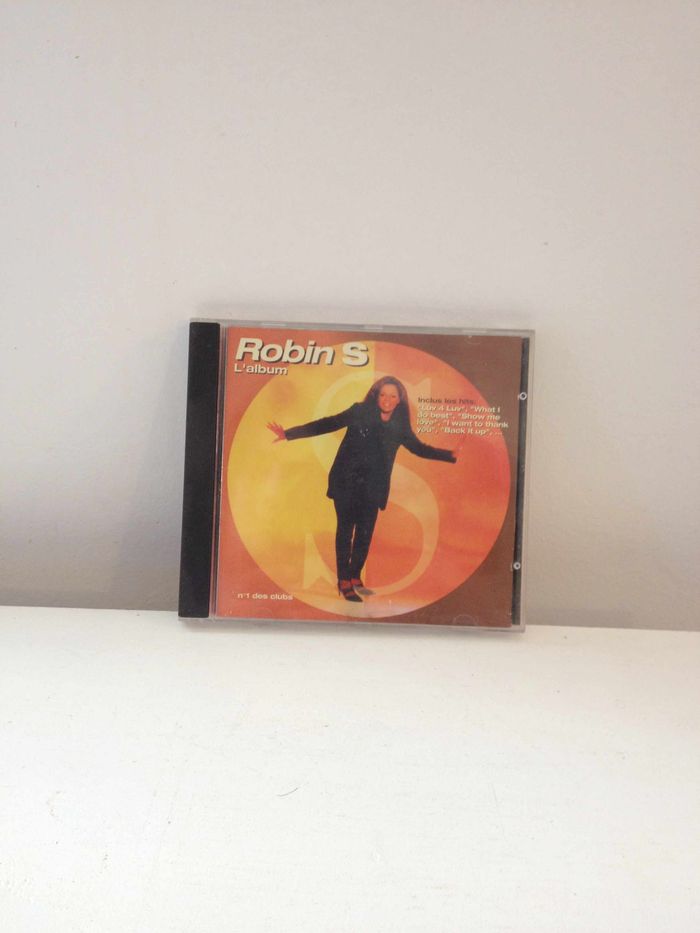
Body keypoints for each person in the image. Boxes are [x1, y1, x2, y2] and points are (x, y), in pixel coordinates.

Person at [267, 376, 460, 602]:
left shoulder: (400, 425)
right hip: (346, 481)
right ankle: (343, 581)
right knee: (346, 531)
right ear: (376, 396)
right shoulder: (359, 411)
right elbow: (328, 423)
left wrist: (449, 455)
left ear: (399, 400)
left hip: (373, 487)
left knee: (365, 534)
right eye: (383, 394)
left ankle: (354, 577)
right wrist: (289, 434)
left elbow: (419, 448)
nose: (387, 399)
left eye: (393, 396)